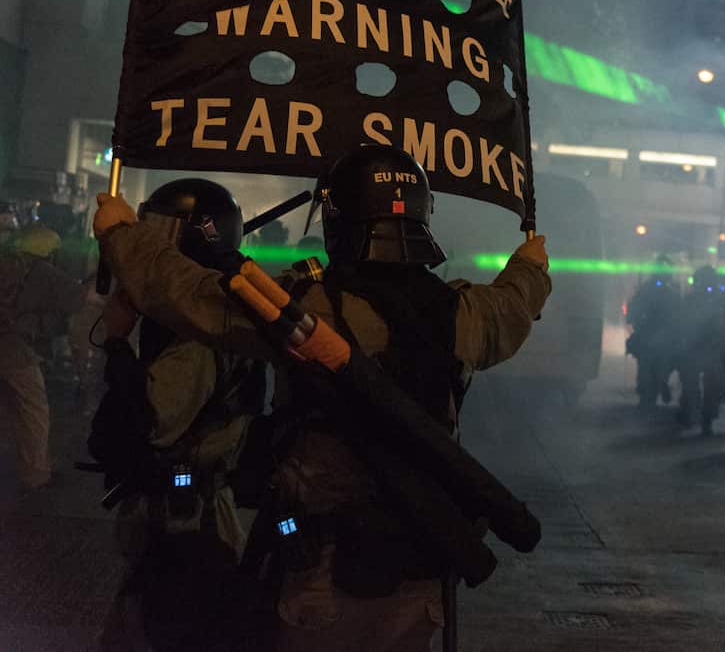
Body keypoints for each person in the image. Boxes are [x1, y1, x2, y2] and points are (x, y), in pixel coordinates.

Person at [93, 144, 551, 651]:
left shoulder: (306, 311)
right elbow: (513, 304)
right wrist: (530, 265)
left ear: (337, 219)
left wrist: (121, 234)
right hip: (421, 564)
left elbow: (190, 294)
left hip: (324, 570)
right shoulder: (464, 312)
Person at [93, 179, 267, 652]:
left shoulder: (196, 337)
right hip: (185, 513)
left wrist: (116, 342)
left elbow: (146, 423)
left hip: (186, 521)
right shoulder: (207, 314)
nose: (151, 240)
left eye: (164, 230)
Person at [0, 223, 83, 491]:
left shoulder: (7, 263)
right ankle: (36, 473)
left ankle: (30, 463)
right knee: (34, 410)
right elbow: (77, 299)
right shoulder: (44, 272)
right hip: (14, 349)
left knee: (14, 407)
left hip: (7, 343)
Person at [679, 265, 725, 434]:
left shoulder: (721, 301)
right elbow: (679, 323)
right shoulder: (690, 301)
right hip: (693, 348)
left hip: (712, 348)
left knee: (713, 387)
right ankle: (692, 413)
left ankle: (707, 418)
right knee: (690, 385)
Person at [626, 256, 681, 410]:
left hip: (660, 337)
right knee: (648, 368)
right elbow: (634, 309)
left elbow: (679, 315)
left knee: (654, 368)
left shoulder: (665, 291)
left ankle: (653, 391)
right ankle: (648, 395)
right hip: (650, 336)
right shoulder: (652, 290)